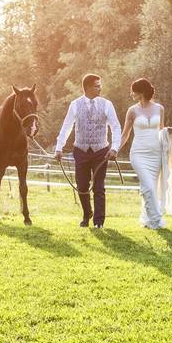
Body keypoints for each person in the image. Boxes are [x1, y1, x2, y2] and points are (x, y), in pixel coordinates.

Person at [119, 78, 172, 229]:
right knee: (148, 186)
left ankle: (146, 219)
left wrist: (168, 132)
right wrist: (115, 150)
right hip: (138, 153)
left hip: (155, 154)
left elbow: (161, 131)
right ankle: (156, 221)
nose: (131, 93)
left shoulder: (160, 108)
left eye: (133, 90)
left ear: (142, 92)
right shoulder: (132, 110)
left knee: (152, 187)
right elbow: (125, 134)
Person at [54, 74, 122, 228]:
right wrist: (59, 147)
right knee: (82, 186)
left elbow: (116, 127)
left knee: (99, 187)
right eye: (97, 85)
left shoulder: (106, 104)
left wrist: (115, 147)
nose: (100, 88)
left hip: (101, 151)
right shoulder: (75, 105)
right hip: (81, 150)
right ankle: (87, 214)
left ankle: (99, 221)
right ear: (88, 87)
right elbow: (67, 126)